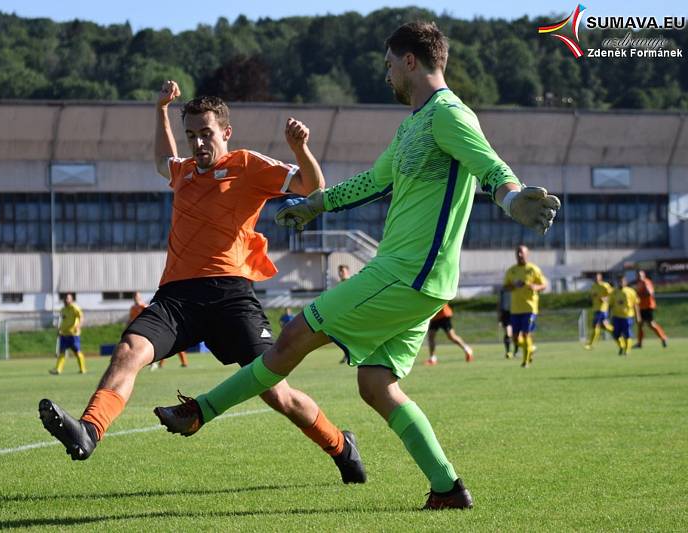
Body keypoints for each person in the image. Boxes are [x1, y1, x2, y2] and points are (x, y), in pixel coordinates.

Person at [154, 21, 560, 510]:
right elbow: (373, 181)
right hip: (416, 280)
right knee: (375, 384)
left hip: (406, 274)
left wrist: (513, 200)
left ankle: (201, 410)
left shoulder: (450, 115)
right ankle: (449, 489)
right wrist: (315, 204)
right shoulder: (413, 123)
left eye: (389, 63)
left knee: (292, 338)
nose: (386, 72)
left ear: (410, 61)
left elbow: (492, 168)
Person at [38, 82, 366, 485]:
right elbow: (163, 159)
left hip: (231, 297)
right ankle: (89, 430)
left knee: (276, 392)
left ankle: (339, 444)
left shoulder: (247, 165)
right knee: (129, 350)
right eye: (191, 135)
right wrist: (161, 109)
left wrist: (300, 147)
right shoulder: (184, 172)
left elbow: (312, 187)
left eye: (205, 133)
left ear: (225, 132)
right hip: (177, 297)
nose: (198, 143)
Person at [504, 245, 547, 369]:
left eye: (521, 253)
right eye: (517, 252)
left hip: (530, 308)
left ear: (527, 254)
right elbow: (505, 286)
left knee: (526, 335)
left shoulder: (533, 269)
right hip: (515, 309)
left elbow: (544, 285)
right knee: (516, 339)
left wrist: (535, 287)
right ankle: (530, 348)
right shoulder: (511, 270)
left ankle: (525, 361)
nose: (519, 255)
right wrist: (513, 286)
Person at [127, 292, 190, 370]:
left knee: (172, 345)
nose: (136, 298)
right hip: (137, 330)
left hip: (149, 329)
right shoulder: (133, 308)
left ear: (139, 297)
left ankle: (183, 363)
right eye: (135, 297)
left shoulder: (144, 306)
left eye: (137, 296)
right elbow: (130, 319)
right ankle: (153, 363)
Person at [50, 293, 87, 375]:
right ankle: (58, 370)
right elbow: (62, 321)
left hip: (73, 334)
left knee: (77, 352)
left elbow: (81, 317)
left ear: (71, 300)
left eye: (68, 298)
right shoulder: (63, 309)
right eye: (65, 298)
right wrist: (59, 330)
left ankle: (82, 369)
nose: (66, 300)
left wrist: (79, 326)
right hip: (64, 334)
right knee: (62, 352)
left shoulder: (75, 308)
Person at [634, 270, 668, 349]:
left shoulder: (646, 282)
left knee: (651, 324)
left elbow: (650, 293)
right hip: (641, 307)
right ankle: (639, 343)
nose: (639, 276)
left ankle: (663, 338)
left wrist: (640, 294)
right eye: (638, 275)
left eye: (641, 275)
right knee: (640, 325)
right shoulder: (638, 283)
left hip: (648, 306)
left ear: (644, 275)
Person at [611, 275, 640, 356]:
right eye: (619, 281)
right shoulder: (614, 292)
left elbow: (635, 304)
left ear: (626, 282)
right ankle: (622, 346)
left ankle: (627, 350)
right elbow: (611, 304)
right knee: (616, 334)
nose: (621, 283)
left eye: (622, 281)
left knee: (627, 333)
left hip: (627, 316)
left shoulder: (631, 291)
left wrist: (638, 316)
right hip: (616, 316)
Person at [584, 273, 614, 350]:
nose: (596, 279)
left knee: (596, 325)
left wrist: (605, 298)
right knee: (605, 326)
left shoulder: (605, 285)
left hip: (602, 309)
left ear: (601, 278)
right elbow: (593, 296)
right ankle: (618, 333)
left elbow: (612, 294)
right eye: (595, 277)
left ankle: (590, 344)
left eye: (597, 277)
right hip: (596, 309)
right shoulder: (593, 286)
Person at [337, 265, 351, 363]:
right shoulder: (340, 284)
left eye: (342, 271)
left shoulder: (350, 282)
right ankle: (347, 354)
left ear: (347, 272)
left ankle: (349, 355)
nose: (341, 273)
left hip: (351, 314)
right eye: (339, 271)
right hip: (343, 314)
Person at [497, 287, 514, 358]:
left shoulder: (517, 288)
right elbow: (500, 303)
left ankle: (516, 350)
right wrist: (499, 317)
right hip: (506, 313)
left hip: (516, 311)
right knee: (508, 332)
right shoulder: (503, 290)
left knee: (516, 334)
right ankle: (508, 351)